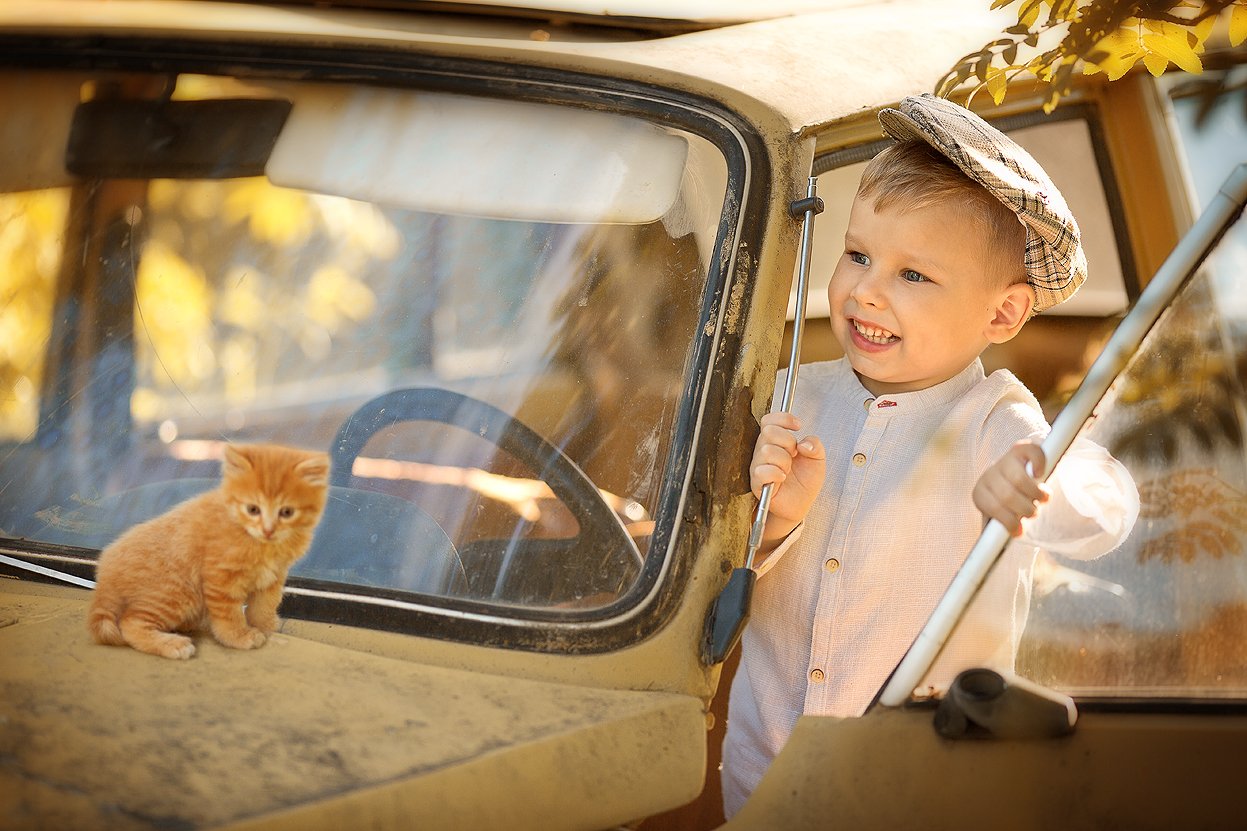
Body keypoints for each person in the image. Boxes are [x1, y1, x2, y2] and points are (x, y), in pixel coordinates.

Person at [720, 94, 1139, 817]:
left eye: (913, 275)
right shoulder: (792, 394)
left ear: (1001, 314)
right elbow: (719, 578)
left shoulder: (993, 419)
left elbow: (1104, 504)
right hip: (764, 770)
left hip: (919, 787)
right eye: (857, 255)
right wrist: (776, 524)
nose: (865, 292)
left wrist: (1039, 482)